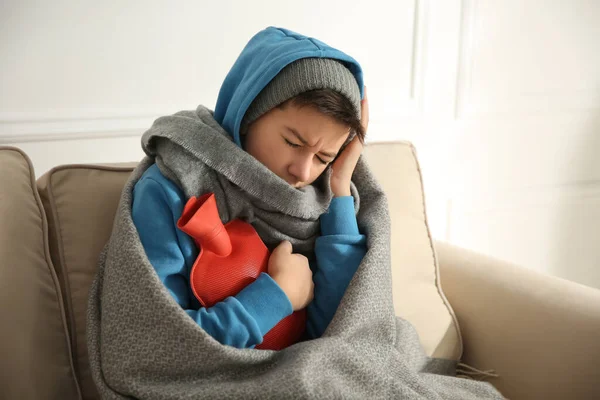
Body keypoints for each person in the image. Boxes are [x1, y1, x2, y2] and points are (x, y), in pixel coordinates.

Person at [131, 26, 369, 348]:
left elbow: (341, 333)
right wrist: (278, 295)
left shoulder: (320, 201)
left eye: (323, 157)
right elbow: (162, 342)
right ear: (247, 113)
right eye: (292, 142)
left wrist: (339, 186)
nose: (303, 171)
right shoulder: (172, 187)